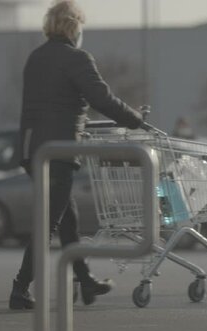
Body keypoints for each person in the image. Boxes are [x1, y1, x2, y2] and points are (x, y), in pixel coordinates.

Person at [9, 0, 145, 310]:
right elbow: (102, 98)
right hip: (58, 151)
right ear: (74, 27)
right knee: (49, 224)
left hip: (33, 149)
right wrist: (135, 119)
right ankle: (19, 289)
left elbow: (49, 104)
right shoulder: (77, 58)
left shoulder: (36, 57)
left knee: (66, 219)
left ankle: (85, 281)